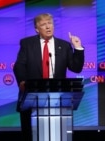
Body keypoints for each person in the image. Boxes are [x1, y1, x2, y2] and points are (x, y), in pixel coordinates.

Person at [13, 13, 84, 141]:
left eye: (50, 23)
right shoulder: (27, 44)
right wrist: (22, 81)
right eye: (43, 24)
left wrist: (77, 47)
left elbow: (76, 67)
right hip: (32, 97)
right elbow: (19, 65)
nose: (47, 27)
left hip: (58, 99)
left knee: (57, 136)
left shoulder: (64, 45)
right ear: (37, 29)